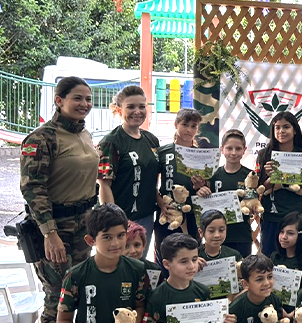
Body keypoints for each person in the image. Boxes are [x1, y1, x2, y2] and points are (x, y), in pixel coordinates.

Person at [20, 76, 99, 323]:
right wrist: (49, 233)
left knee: (77, 293)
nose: (83, 104)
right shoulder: (43, 137)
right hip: (55, 230)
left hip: (82, 228)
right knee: (57, 298)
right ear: (59, 100)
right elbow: (32, 187)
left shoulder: (82, 133)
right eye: (77, 98)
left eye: (88, 99)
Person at [98, 85, 161, 255]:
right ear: (119, 110)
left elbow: (152, 181)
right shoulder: (111, 142)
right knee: (118, 266)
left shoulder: (151, 140)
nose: (137, 111)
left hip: (147, 216)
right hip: (121, 218)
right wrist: (114, 222)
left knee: (137, 266)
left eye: (142, 106)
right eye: (130, 107)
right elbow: (104, 185)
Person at [153, 108, 205, 267]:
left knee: (190, 252)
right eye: (185, 125)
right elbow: (152, 184)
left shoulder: (202, 156)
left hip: (192, 213)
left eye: (194, 126)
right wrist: (161, 203)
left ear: (198, 129)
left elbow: (206, 187)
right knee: (165, 252)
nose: (189, 129)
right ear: (176, 124)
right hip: (167, 211)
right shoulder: (163, 152)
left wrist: (201, 186)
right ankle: (165, 286)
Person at [256, 112, 302, 253]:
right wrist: (271, 178)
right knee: (269, 258)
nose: (281, 131)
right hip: (272, 215)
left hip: (297, 215)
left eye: (286, 127)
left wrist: (301, 177)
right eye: (277, 127)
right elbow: (257, 189)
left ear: (295, 130)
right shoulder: (264, 154)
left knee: (297, 258)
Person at [199, 129, 254, 259]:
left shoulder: (250, 176)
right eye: (229, 148)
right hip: (216, 236)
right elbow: (205, 202)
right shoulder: (213, 175)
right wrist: (201, 191)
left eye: (238, 149)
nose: (233, 153)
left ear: (244, 150)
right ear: (222, 149)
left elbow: (255, 202)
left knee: (242, 272)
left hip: (241, 235)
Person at [270, 211, 302, 318]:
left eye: (290, 233)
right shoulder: (275, 257)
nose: (284, 237)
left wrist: (292, 314)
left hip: (300, 315)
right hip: (274, 312)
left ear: (301, 235)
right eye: (281, 231)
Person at [125, 220, 164, 288]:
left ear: (144, 246)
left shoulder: (154, 270)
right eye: (126, 246)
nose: (132, 251)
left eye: (137, 245)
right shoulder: (111, 270)